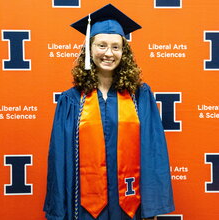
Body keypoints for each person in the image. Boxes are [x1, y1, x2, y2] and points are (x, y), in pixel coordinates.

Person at [43, 4, 174, 220]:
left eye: (116, 47)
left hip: (130, 203)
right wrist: (60, 209)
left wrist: (151, 209)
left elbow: (153, 153)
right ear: (89, 48)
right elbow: (60, 160)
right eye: (101, 45)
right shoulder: (71, 100)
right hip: (83, 206)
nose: (108, 53)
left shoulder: (140, 96)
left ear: (124, 52)